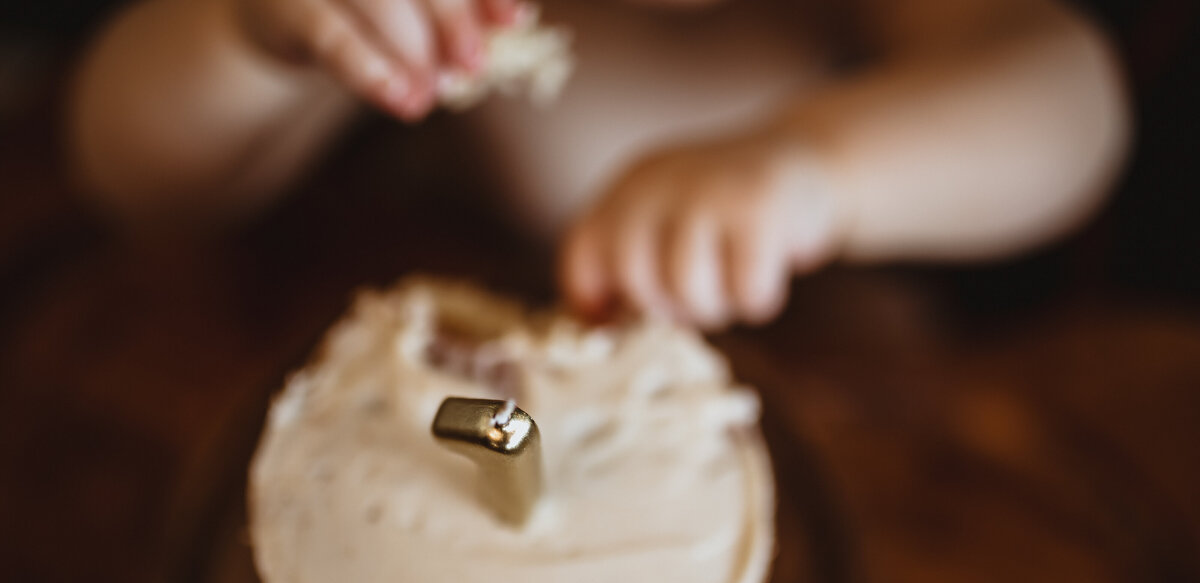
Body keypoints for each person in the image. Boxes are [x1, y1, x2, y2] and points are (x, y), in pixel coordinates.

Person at [68, 0, 1130, 329]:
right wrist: (250, 35)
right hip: (426, 344)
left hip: (823, 378)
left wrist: (814, 171)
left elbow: (1071, 95)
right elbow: (132, 175)